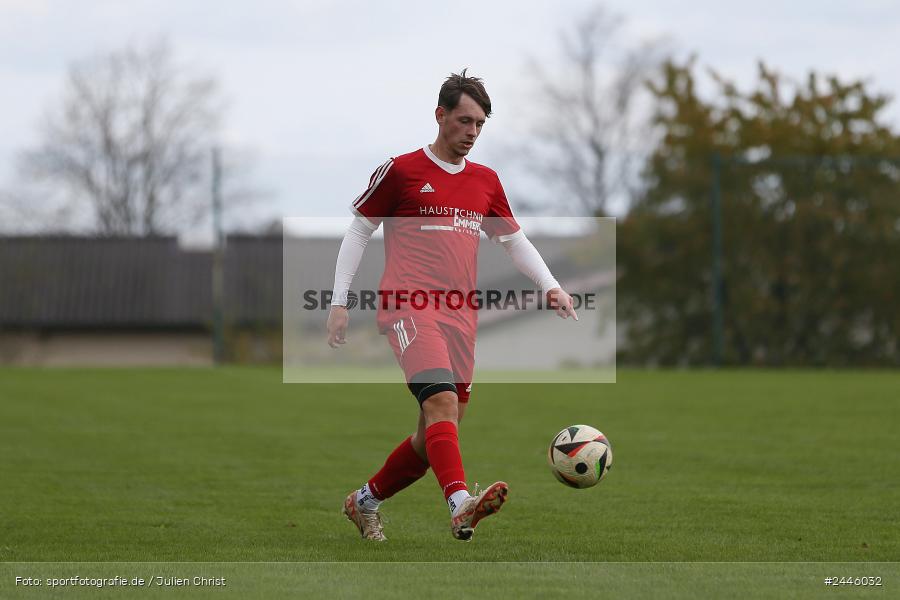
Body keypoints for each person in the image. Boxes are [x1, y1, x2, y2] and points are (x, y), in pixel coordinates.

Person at [328, 70, 577, 542]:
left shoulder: (485, 181)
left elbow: (513, 240)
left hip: (460, 316)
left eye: (481, 124)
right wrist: (339, 301)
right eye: (464, 121)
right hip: (408, 306)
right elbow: (360, 230)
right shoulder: (401, 170)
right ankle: (461, 504)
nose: (472, 132)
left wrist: (551, 285)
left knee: (435, 434)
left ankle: (364, 502)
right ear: (440, 115)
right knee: (442, 402)